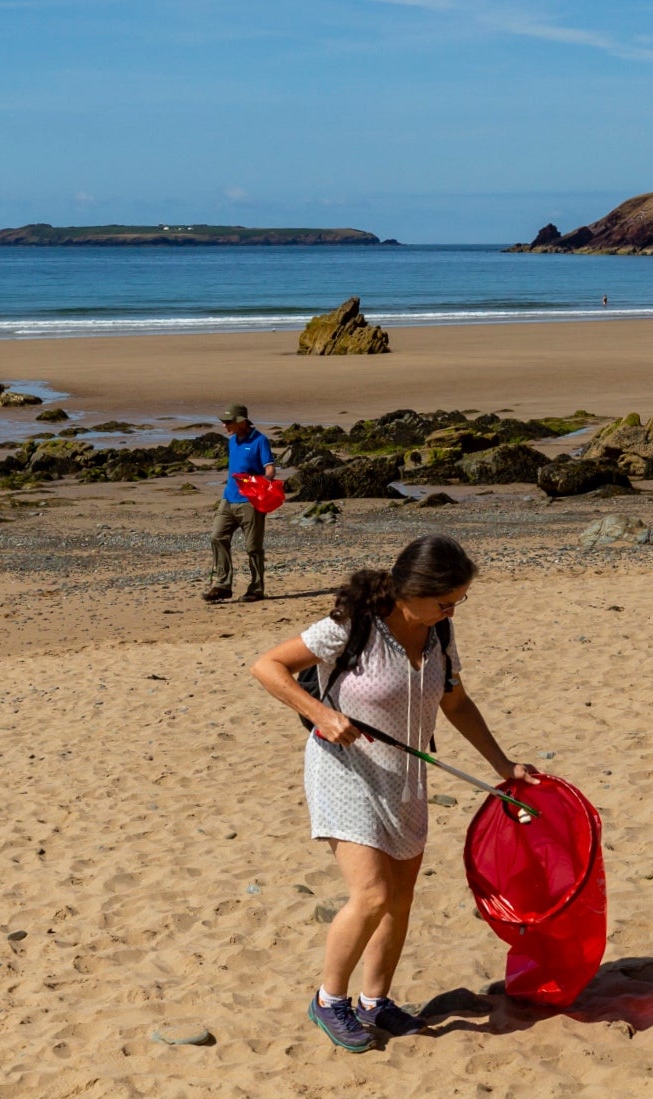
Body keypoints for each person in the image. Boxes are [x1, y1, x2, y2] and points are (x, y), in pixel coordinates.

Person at [249, 535, 537, 1052]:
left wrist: (503, 764)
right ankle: (329, 1001)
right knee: (373, 894)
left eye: (458, 602)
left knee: (399, 899)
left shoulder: (438, 634)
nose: (451, 611)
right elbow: (268, 667)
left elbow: (457, 704)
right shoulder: (350, 627)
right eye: (444, 601)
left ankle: (374, 1001)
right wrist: (322, 714)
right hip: (343, 770)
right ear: (409, 591)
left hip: (405, 775)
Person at [205, 404, 274, 603]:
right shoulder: (232, 441)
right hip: (228, 498)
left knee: (253, 547)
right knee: (217, 536)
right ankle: (222, 585)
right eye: (223, 422)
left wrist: (266, 482)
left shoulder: (260, 441)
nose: (224, 425)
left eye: (228, 422)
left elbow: (269, 468)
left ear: (241, 421)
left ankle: (256, 589)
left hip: (250, 502)